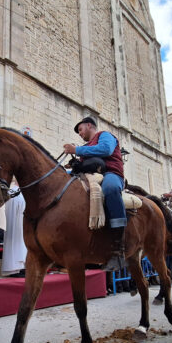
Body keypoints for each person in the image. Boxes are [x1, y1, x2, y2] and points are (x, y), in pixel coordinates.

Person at [63, 116, 126, 271]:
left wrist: (76, 150)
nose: (79, 133)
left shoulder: (105, 135)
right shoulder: (86, 146)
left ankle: (118, 246)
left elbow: (106, 150)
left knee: (110, 189)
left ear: (90, 125)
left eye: (80, 129)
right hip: (90, 176)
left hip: (111, 174)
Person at [2, 181, 27, 277]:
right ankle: (13, 267)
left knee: (21, 244)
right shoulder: (12, 192)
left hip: (22, 221)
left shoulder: (22, 192)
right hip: (14, 222)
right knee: (14, 241)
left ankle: (21, 267)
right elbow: (10, 212)